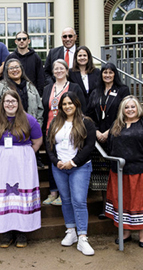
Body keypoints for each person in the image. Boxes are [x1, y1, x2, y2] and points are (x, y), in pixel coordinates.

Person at [0, 90, 43, 248]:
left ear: (18, 103)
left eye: (13, 101)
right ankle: (6, 232)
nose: (10, 104)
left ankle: (21, 232)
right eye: (7, 101)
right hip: (0, 164)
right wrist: (1, 155)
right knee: (4, 197)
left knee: (21, 195)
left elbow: (37, 141)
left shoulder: (29, 120)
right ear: (2, 104)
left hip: (22, 163)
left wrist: (23, 155)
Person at [106, 95, 143, 248]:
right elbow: (110, 144)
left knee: (140, 203)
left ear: (138, 108)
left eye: (133, 106)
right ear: (122, 110)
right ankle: (126, 233)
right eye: (127, 107)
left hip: (141, 171)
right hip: (120, 172)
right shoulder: (117, 124)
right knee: (124, 202)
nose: (130, 109)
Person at [46, 92, 96, 256]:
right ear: (61, 107)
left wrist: (73, 162)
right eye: (64, 104)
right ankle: (71, 231)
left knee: (79, 201)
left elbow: (89, 146)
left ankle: (82, 237)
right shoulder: (55, 122)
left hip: (79, 167)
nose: (67, 106)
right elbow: (49, 145)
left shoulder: (85, 122)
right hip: (59, 167)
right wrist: (56, 161)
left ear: (76, 104)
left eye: (70, 103)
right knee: (65, 200)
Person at [86, 62, 130, 218]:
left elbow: (124, 114)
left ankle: (119, 209)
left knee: (116, 174)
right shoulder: (95, 92)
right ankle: (105, 208)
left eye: (110, 72)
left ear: (114, 74)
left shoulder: (122, 90)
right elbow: (88, 113)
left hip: (116, 136)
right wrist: (97, 131)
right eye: (105, 72)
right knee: (102, 176)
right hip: (98, 139)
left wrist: (108, 131)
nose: (107, 75)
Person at [41, 59, 86, 206]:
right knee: (52, 160)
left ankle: (63, 193)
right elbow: (45, 109)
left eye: (61, 68)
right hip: (50, 130)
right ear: (52, 72)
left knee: (66, 158)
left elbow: (81, 107)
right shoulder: (48, 88)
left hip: (69, 130)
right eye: (56, 69)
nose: (58, 71)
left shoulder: (74, 87)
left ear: (67, 71)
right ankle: (53, 192)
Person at [0, 58, 43, 126]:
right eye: (11, 68)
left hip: (29, 127)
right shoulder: (0, 87)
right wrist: (0, 127)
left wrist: (37, 125)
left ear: (21, 69)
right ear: (6, 71)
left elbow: (39, 109)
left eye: (17, 67)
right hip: (7, 129)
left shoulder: (30, 86)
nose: (15, 70)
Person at [5, 31, 45, 96]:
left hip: (31, 94)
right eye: (19, 39)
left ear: (28, 41)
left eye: (24, 39)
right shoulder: (10, 57)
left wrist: (39, 94)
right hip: (13, 94)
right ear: (16, 42)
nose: (21, 41)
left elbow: (40, 78)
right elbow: (5, 76)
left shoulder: (35, 57)